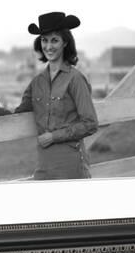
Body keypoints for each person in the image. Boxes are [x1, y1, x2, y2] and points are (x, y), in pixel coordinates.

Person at [15, 12, 98, 180]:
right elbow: (19, 112)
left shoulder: (75, 79)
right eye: (44, 40)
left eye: (54, 40)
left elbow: (90, 123)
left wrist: (54, 136)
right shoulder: (37, 82)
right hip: (43, 166)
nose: (48, 46)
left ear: (65, 43)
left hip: (71, 165)